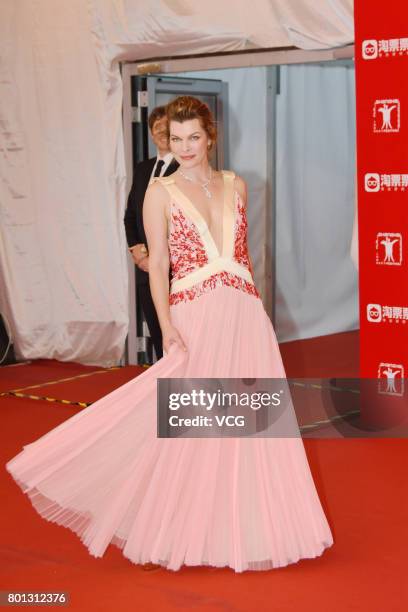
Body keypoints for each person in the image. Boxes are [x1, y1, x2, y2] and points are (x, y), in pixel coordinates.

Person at [5, 96, 333, 572]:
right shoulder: (160, 190)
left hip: (243, 314)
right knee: (190, 425)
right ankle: (173, 527)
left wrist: (258, 312)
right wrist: (166, 327)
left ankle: (245, 526)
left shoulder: (236, 185)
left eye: (194, 138)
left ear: (210, 136)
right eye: (177, 140)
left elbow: (244, 255)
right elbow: (158, 264)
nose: (186, 148)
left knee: (250, 424)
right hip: (194, 313)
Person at [124, 105, 179, 360]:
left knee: (178, 334)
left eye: (166, 128)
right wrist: (138, 252)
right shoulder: (143, 169)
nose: (162, 133)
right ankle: (165, 391)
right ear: (150, 134)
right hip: (146, 270)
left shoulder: (183, 168)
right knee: (158, 335)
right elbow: (130, 216)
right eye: (156, 129)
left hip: (175, 272)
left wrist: (159, 257)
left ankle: (186, 391)